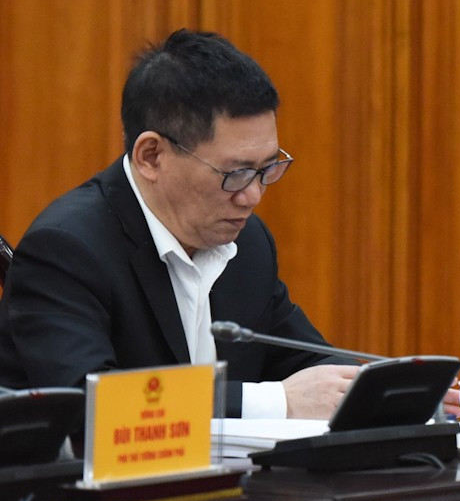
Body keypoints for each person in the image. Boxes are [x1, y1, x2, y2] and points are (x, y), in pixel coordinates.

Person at [0, 30, 361, 418]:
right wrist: (275, 402)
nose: (253, 196)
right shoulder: (66, 251)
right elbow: (92, 408)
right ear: (151, 156)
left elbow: (307, 364)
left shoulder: (247, 242)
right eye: (235, 172)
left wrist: (400, 390)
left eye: (267, 168)